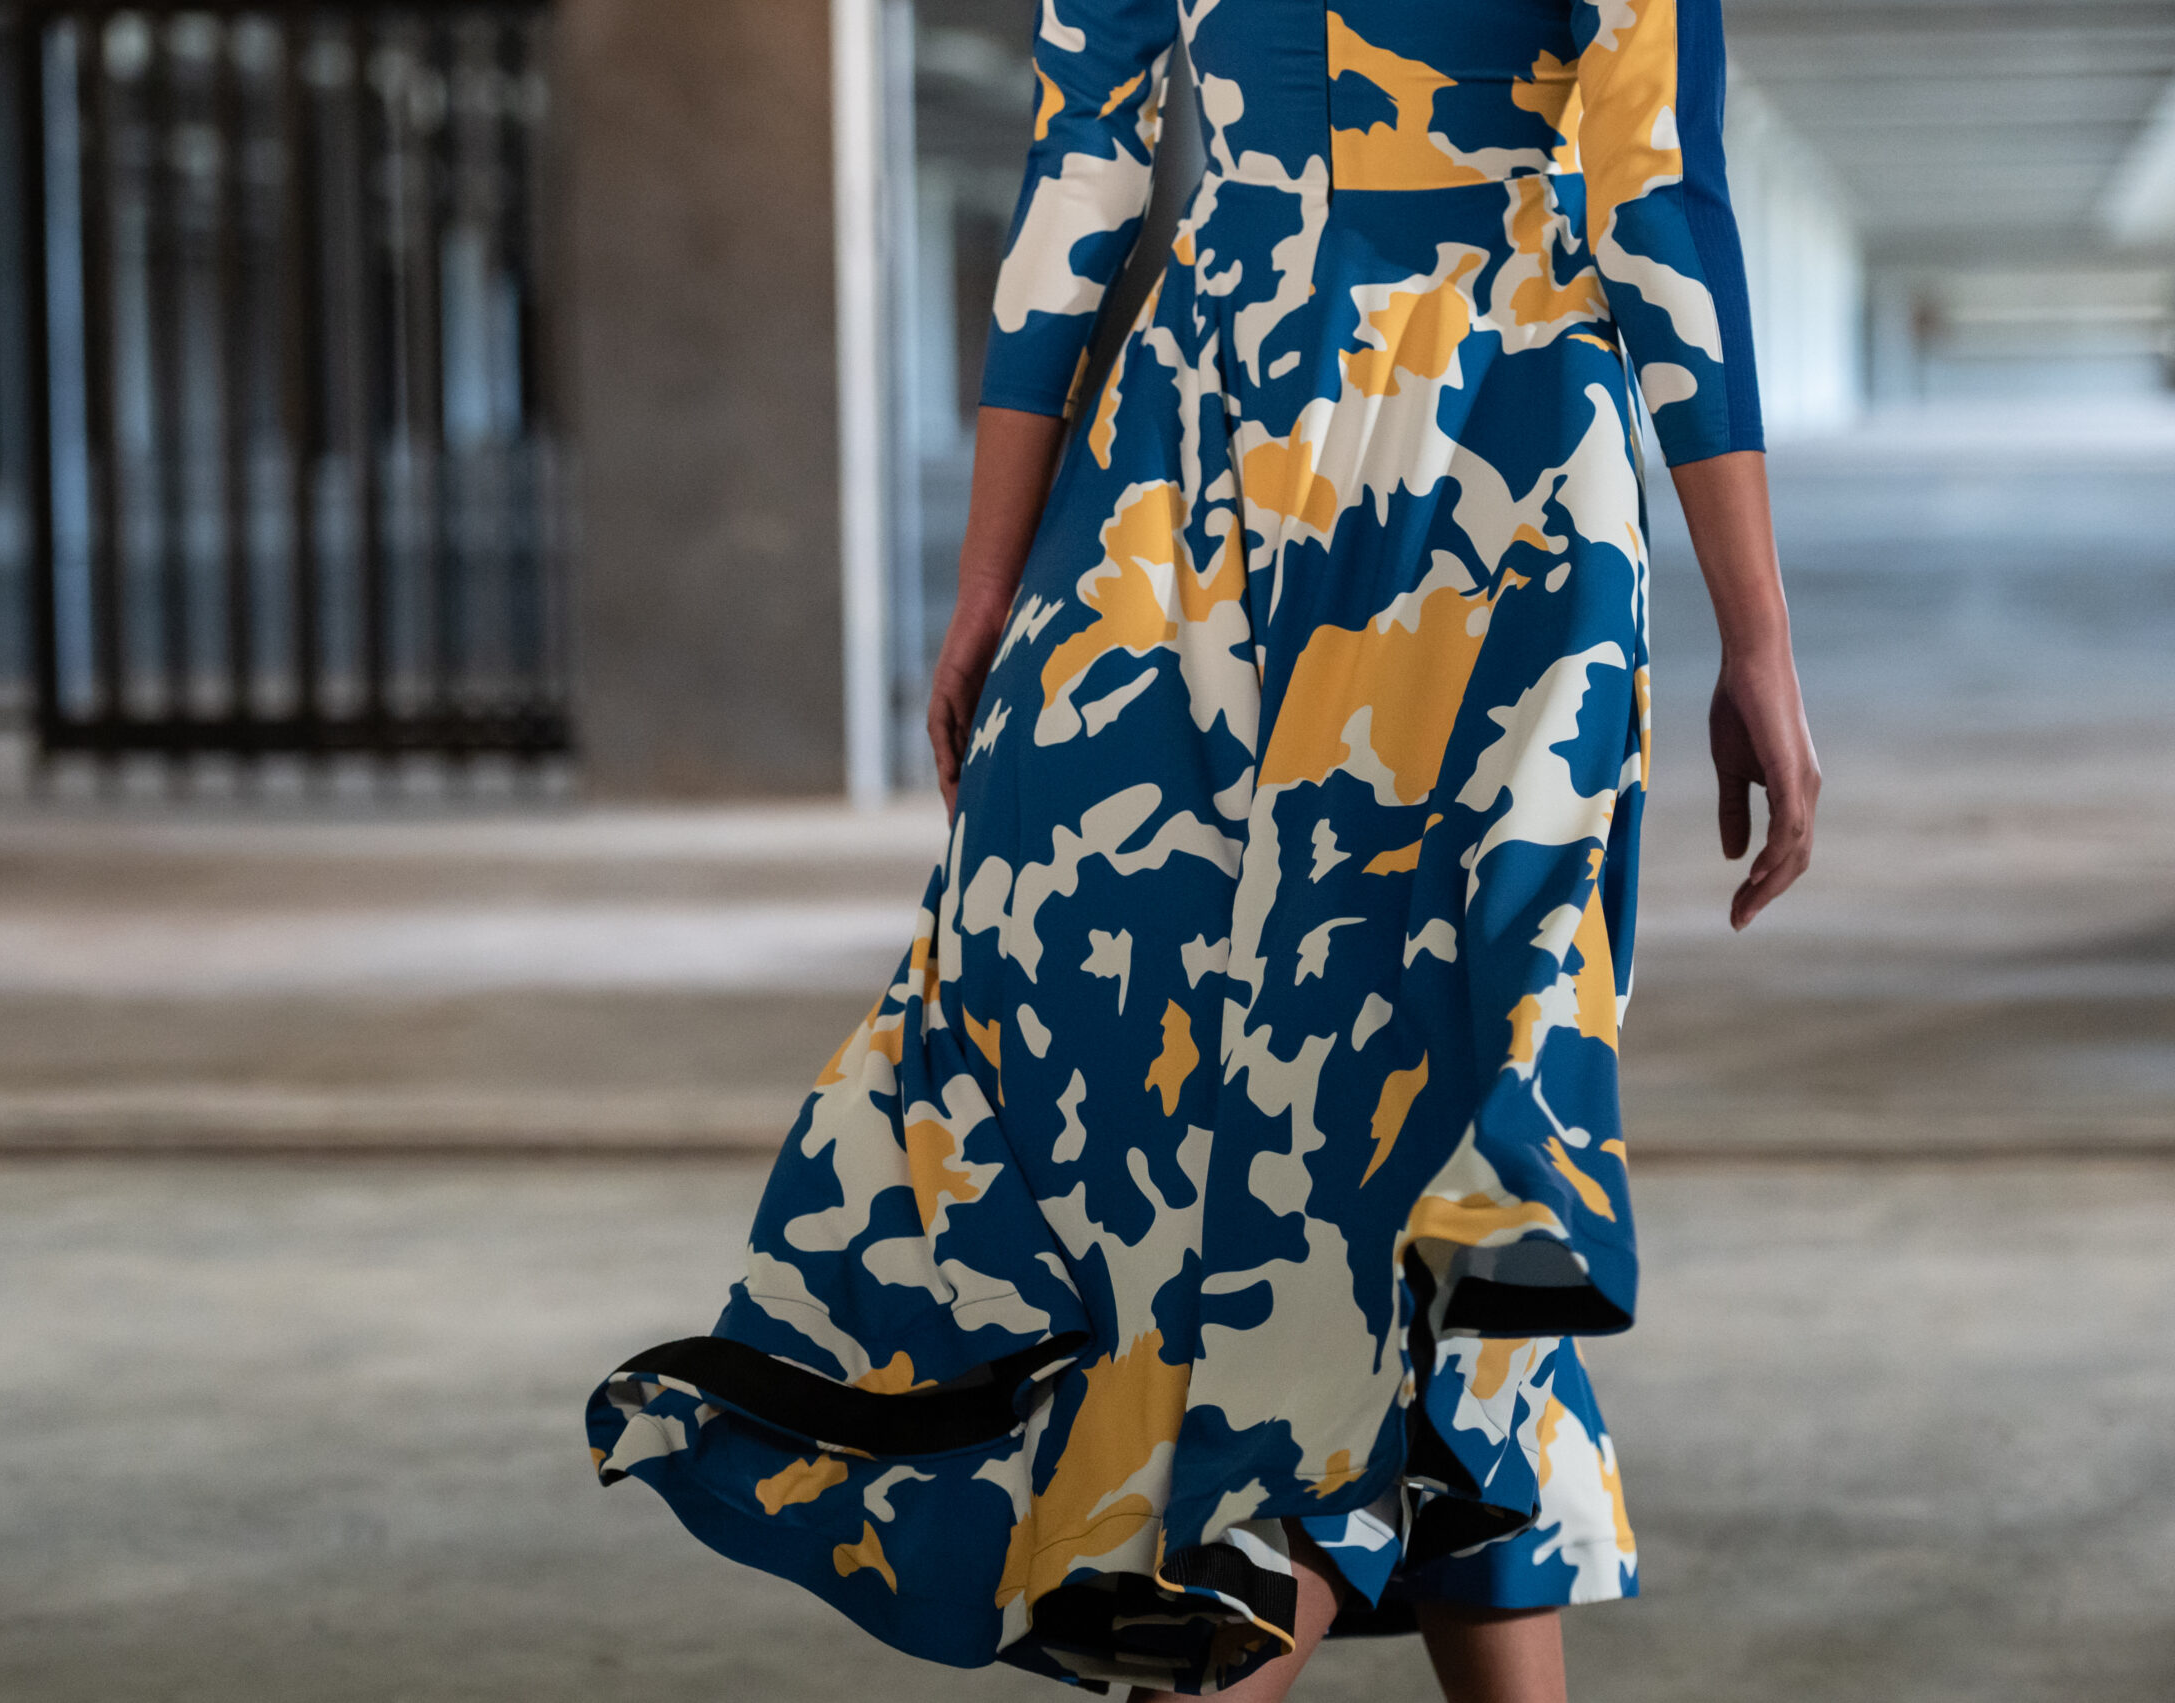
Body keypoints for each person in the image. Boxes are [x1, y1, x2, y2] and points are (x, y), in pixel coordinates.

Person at [587, 0, 1820, 1696]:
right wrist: (1759, 633)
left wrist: (992, 579)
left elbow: (1082, 172)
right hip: (1494, 451)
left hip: (1190, 456)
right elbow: (1654, 189)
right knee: (1419, 1110)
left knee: (1260, 1133)